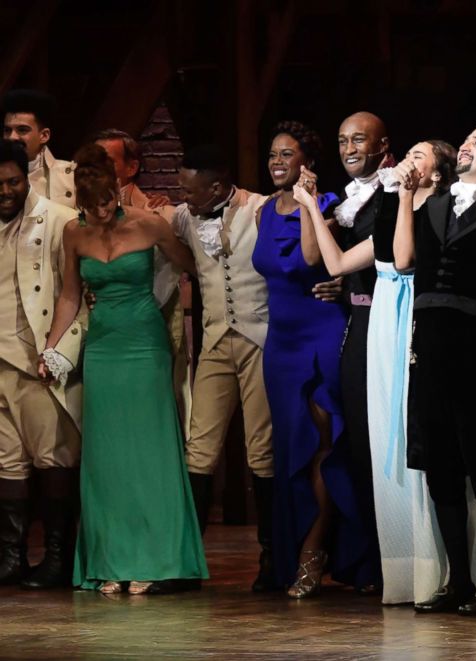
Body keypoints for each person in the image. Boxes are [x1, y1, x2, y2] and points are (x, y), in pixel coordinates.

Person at [300, 139, 476, 604]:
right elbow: (339, 263)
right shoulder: (390, 208)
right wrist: (307, 203)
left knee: (418, 439)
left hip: (414, 321)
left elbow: (405, 261)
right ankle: (403, 571)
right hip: (382, 323)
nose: (408, 158)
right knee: (384, 437)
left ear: (439, 173)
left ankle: (441, 568)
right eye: (409, 152)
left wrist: (403, 196)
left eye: (420, 155)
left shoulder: (440, 212)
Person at [40, 143, 206, 595]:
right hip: (104, 347)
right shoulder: (73, 234)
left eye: (108, 204)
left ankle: (156, 558)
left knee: (150, 452)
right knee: (108, 457)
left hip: (145, 344)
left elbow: (191, 267)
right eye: (92, 209)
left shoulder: (150, 224)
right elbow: (70, 296)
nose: (102, 214)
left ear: (115, 193)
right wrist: (51, 349)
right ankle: (112, 559)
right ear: (80, 203)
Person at [392, 125, 476, 616]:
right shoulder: (434, 203)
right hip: (431, 344)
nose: (467, 144)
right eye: (465, 139)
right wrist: (406, 196)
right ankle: (459, 582)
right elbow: (404, 260)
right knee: (441, 467)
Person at [252, 121, 376, 598]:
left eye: (287, 155)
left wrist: (308, 202)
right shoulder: (263, 210)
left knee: (322, 448)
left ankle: (315, 550)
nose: (278, 163)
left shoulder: (328, 206)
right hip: (280, 344)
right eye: (272, 156)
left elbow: (309, 258)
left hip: (321, 334)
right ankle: (289, 551)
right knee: (290, 451)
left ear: (306, 162)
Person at [172, 144, 276, 592]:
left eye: (192, 192)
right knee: (200, 448)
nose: (185, 199)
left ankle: (274, 559)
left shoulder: (261, 208)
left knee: (261, 450)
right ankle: (186, 562)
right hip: (214, 341)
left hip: (260, 339)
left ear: (216, 186)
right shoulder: (182, 216)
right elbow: (143, 221)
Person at [0, 141, 83, 590]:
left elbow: (79, 297)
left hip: (39, 363)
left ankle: (57, 557)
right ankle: (11, 557)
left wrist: (58, 352)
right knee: (6, 463)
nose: (7, 191)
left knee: (53, 458)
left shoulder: (58, 220)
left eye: (14, 182)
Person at [92, 128, 190, 436]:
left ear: (131, 167)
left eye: (106, 160)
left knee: (150, 418)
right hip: (103, 333)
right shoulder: (84, 220)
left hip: (148, 329)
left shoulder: (163, 214)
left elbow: (188, 268)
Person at [333, 111, 394, 594]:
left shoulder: (393, 193)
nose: (350, 148)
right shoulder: (344, 201)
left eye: (359, 140)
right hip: (355, 320)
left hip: (388, 322)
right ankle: (369, 559)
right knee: (357, 443)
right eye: (343, 141)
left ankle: (396, 558)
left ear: (381, 145)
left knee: (386, 441)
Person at [2, 89, 75, 205]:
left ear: (44, 135)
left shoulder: (72, 177)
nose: (12, 137)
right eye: (7, 130)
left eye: (22, 130)